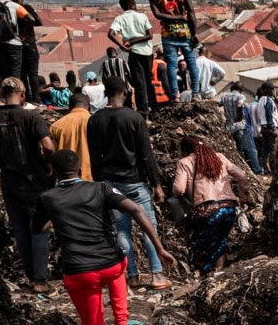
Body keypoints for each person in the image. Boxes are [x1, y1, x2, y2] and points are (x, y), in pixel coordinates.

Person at [34, 149, 177, 325]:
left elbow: (38, 228)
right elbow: (134, 208)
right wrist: (159, 248)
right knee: (119, 261)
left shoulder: (48, 198)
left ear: (51, 171)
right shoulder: (100, 189)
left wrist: (60, 219)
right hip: (110, 265)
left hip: (79, 272)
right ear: (79, 169)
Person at [88, 76, 171, 290]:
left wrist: (100, 185)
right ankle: (156, 275)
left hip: (110, 183)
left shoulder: (95, 120)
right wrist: (157, 184)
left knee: (121, 230)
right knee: (148, 227)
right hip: (135, 182)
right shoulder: (134, 118)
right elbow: (146, 154)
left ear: (105, 93)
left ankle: (131, 276)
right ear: (125, 92)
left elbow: (94, 157)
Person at [0, 78, 55, 290]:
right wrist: (49, 164)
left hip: (9, 181)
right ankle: (40, 281)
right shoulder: (31, 117)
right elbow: (48, 146)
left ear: (2, 95)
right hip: (34, 179)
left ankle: (32, 277)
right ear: (22, 95)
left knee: (20, 228)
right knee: (38, 228)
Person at [173, 136, 253, 275]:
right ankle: (219, 271)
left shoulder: (184, 162)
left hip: (206, 211)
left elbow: (179, 189)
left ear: (185, 150)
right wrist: (244, 196)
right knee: (220, 238)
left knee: (200, 242)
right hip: (229, 208)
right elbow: (241, 175)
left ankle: (205, 270)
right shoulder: (219, 157)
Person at [147, 0, 201, 103]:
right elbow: (191, 13)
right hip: (185, 32)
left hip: (168, 34)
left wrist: (172, 17)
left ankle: (175, 96)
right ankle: (195, 94)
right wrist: (194, 33)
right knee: (191, 63)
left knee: (171, 65)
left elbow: (158, 15)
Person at [107, 0, 156, 116]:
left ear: (123, 7)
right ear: (132, 5)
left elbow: (111, 34)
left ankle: (143, 110)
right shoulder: (142, 16)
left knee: (139, 82)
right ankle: (154, 107)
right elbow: (150, 36)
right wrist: (136, 40)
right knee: (148, 80)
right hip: (148, 52)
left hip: (135, 52)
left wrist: (124, 45)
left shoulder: (120, 19)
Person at [218, 82, 265, 175]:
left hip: (229, 127)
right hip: (240, 126)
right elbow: (240, 105)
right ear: (240, 90)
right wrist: (239, 116)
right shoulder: (240, 97)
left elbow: (217, 104)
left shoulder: (224, 96)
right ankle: (257, 170)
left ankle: (239, 170)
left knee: (238, 150)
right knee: (250, 149)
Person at [9, 0, 45, 103]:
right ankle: (37, 98)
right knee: (33, 73)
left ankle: (27, 97)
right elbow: (39, 22)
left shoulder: (10, 10)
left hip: (16, 46)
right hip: (30, 44)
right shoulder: (26, 8)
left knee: (22, 74)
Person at [49, 96, 92, 181]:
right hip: (92, 176)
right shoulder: (95, 122)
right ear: (88, 106)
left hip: (66, 178)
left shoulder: (56, 125)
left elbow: (51, 153)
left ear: (70, 107)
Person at [250, 86, 278, 173]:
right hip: (270, 128)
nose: (273, 91)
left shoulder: (260, 100)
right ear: (267, 90)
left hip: (263, 128)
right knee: (273, 149)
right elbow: (269, 114)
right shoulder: (268, 100)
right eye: (272, 89)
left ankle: (266, 169)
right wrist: (273, 127)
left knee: (265, 150)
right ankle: (275, 169)